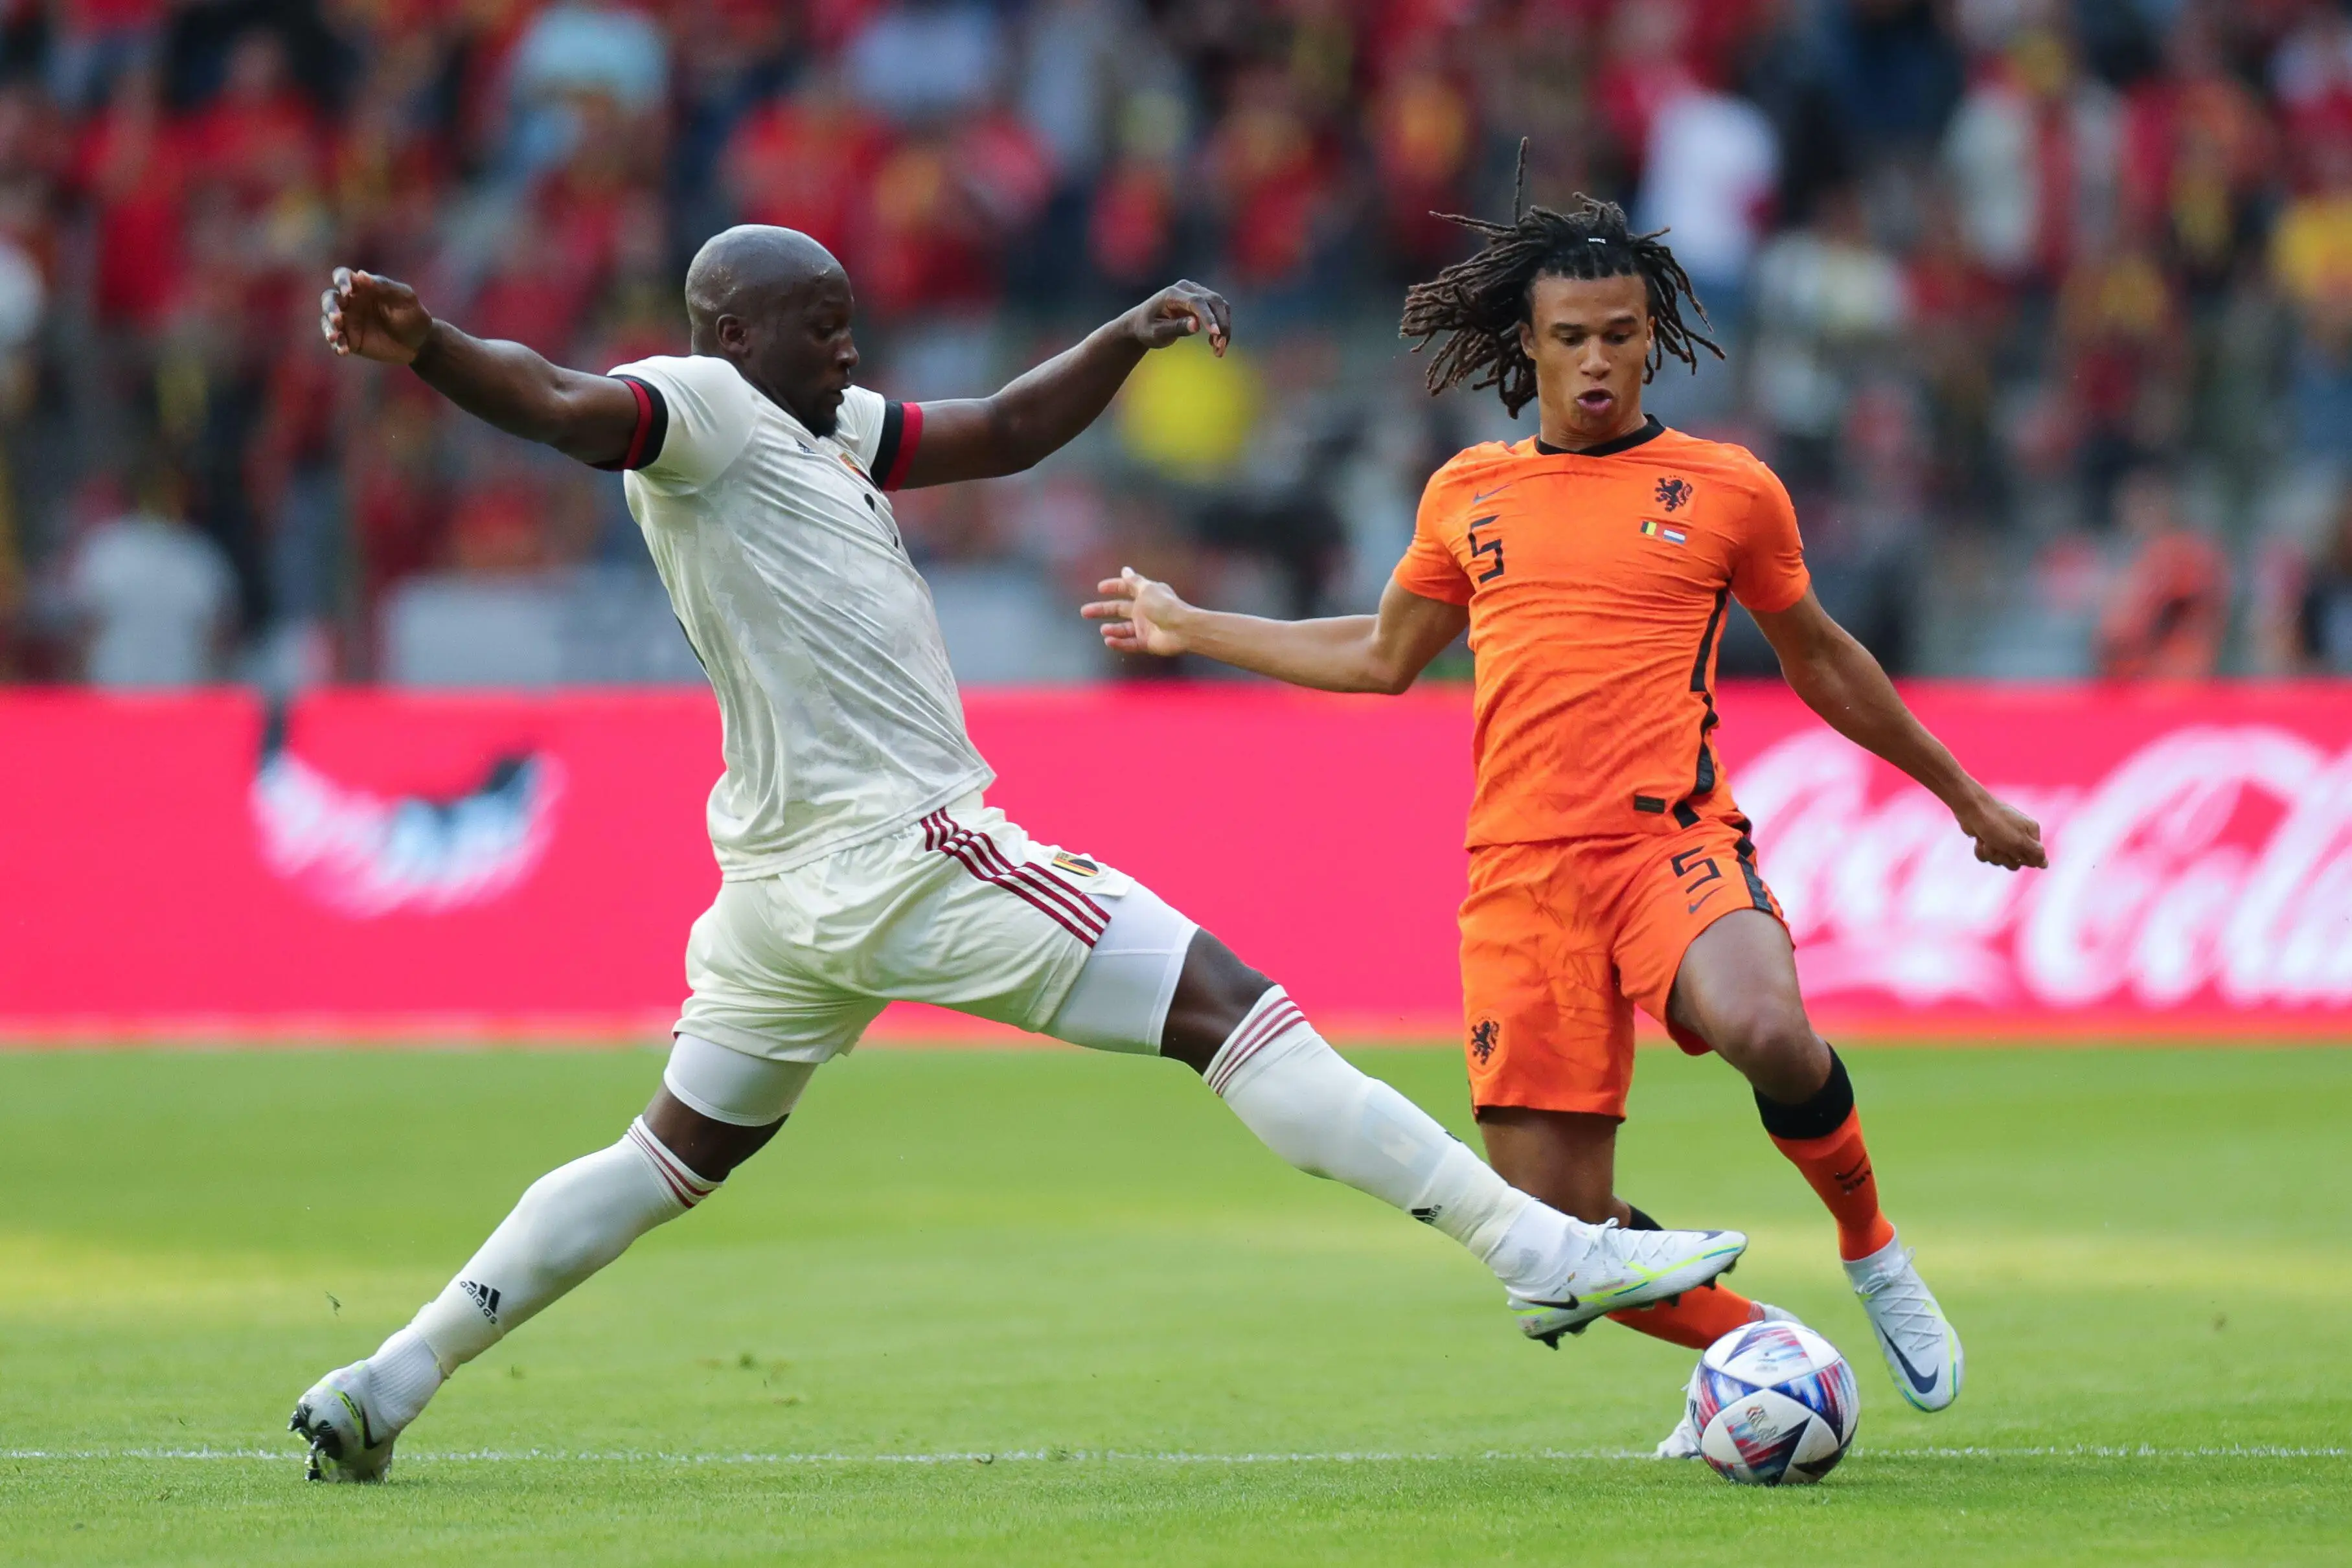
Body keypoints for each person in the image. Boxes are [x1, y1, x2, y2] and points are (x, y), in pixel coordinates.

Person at [287, 226, 1748, 1482]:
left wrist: (1125, 335)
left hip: (781, 890)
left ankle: (390, 1378)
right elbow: (558, 402)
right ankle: (1537, 1252)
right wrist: (432, 349)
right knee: (1229, 1010)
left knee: (664, 1157)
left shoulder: (819, 426)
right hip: (905, 851)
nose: (851, 345)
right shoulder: (707, 410)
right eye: (823, 325)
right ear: (733, 337)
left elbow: (997, 431)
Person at [1084, 194, 2048, 1452]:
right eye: (1573, 338)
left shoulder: (1728, 490)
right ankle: (1766, 1348)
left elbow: (1820, 658)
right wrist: (1192, 625)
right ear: (1529, 348)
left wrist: (1962, 794)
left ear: (1653, 341)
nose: (1598, 361)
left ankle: (1872, 1249)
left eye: (1620, 335)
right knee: (1554, 1231)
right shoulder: (1469, 492)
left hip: (1669, 843)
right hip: (1521, 882)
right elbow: (1383, 655)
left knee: (1766, 1024)